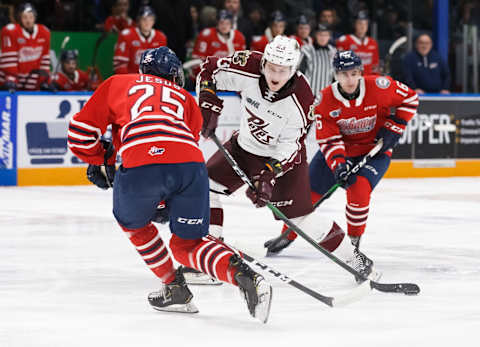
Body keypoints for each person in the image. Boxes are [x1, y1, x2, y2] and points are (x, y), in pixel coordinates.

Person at [67, 47, 272, 323]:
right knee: (187, 244)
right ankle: (246, 277)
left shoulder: (117, 83)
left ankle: (174, 288)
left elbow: (79, 136)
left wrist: (102, 157)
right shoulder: (186, 98)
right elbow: (176, 148)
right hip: (190, 167)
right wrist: (166, 199)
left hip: (142, 164)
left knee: (134, 223)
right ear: (175, 75)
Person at [266, 51, 418, 281]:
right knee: (306, 196)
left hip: (373, 152)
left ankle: (354, 247)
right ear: (335, 74)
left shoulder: (380, 86)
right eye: (344, 74)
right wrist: (338, 165)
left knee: (359, 191)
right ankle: (288, 234)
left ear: (361, 72)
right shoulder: (325, 99)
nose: (349, 79)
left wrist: (394, 127)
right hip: (339, 153)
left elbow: (410, 99)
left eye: (354, 73)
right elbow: (328, 139)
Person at [196, 36, 346, 267]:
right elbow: (209, 69)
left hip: (282, 161)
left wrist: (268, 174)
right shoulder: (249, 66)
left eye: (283, 71)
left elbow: (292, 145)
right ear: (264, 62)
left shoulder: (303, 99)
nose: (275, 76)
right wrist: (206, 99)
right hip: (243, 148)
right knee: (204, 187)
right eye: (271, 68)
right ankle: (211, 252)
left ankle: (354, 260)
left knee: (301, 219)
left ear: (293, 69)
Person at [0, 2, 51, 91]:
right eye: (25, 17)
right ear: (19, 18)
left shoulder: (44, 32)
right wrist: (12, 79)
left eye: (31, 17)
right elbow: (9, 61)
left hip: (32, 81)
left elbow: (45, 59)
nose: (28, 21)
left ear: (35, 17)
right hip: (10, 80)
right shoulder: (11, 31)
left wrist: (44, 80)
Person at [113, 5, 167, 74]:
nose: (147, 23)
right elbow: (119, 65)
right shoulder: (127, 35)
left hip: (151, 80)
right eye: (144, 19)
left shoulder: (161, 37)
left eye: (150, 19)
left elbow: (162, 65)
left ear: (154, 21)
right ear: (138, 21)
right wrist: (129, 81)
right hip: (131, 79)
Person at [299, 23, 336, 98]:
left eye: (325, 35)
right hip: (307, 95)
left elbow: (334, 77)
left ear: (329, 36)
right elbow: (299, 73)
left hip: (325, 97)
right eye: (320, 35)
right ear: (315, 35)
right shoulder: (306, 50)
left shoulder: (333, 51)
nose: (323, 38)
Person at [336, 11, 379, 75]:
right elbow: (339, 64)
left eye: (365, 24)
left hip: (368, 80)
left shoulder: (373, 43)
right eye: (360, 23)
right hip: (351, 80)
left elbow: (375, 66)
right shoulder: (344, 41)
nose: (363, 27)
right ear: (354, 24)